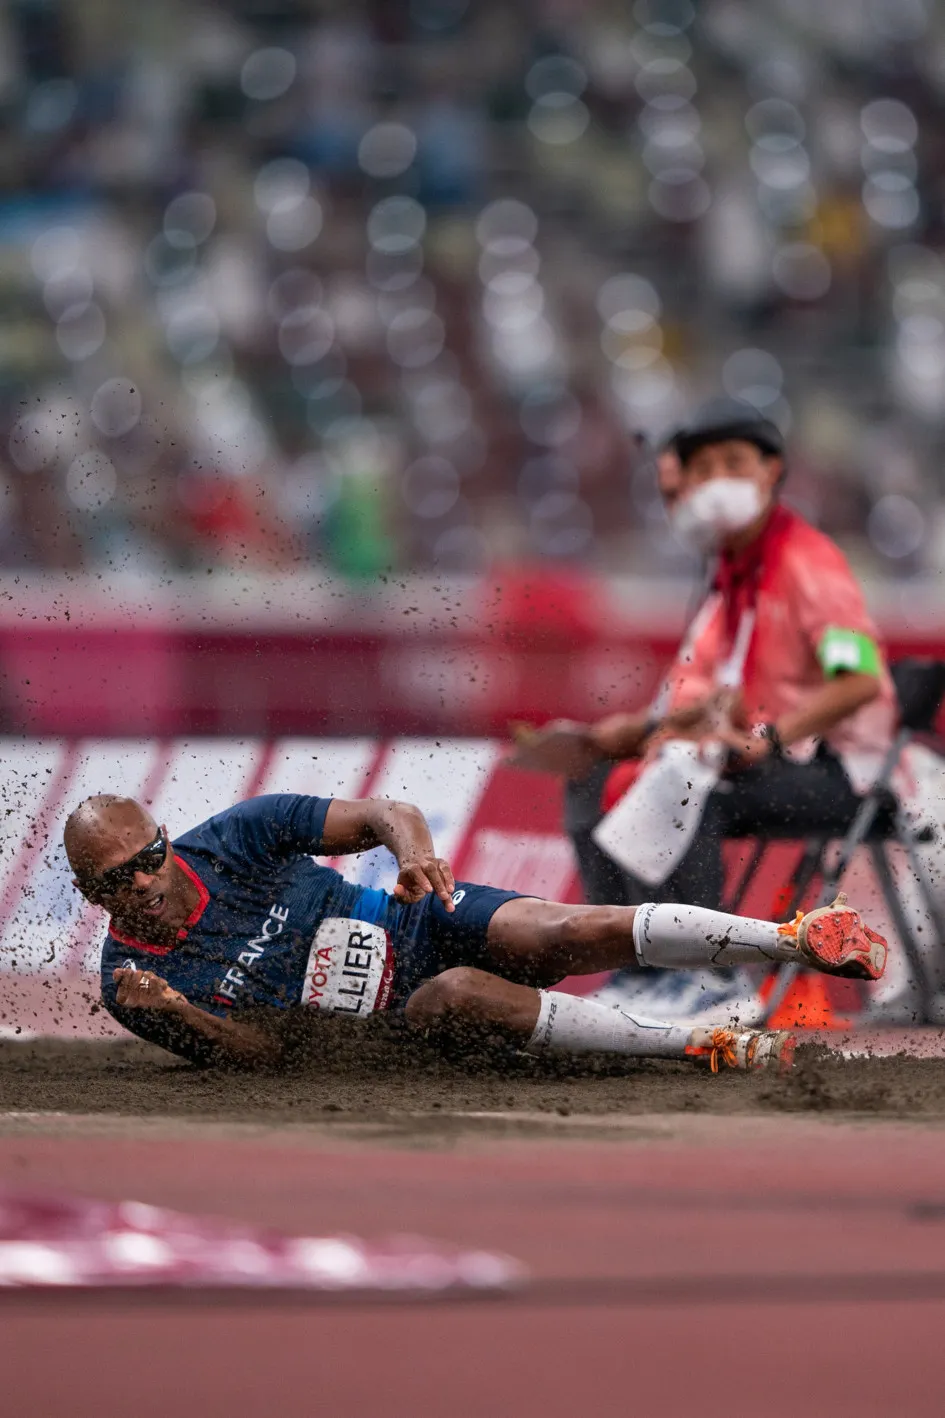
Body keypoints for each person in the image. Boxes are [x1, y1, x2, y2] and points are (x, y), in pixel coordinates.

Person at [514, 396, 899, 1022]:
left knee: (685, 778)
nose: (717, 480)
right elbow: (726, 700)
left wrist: (768, 738)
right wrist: (651, 730)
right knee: (595, 775)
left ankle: (711, 977)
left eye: (734, 463)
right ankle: (638, 968)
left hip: (849, 777)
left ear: (772, 471)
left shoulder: (807, 564)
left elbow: (858, 682)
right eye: (704, 469)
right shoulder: (740, 574)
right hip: (769, 761)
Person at [63, 790, 887, 1073]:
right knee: (456, 992)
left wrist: (415, 856)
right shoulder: (131, 987)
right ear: (88, 894)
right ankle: (702, 1045)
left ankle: (790, 936)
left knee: (553, 929)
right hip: (394, 1027)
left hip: (413, 917)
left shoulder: (236, 835)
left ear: (167, 839)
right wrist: (185, 1016)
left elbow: (386, 812)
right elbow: (263, 1059)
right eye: (114, 881)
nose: (142, 884)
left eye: (150, 859)